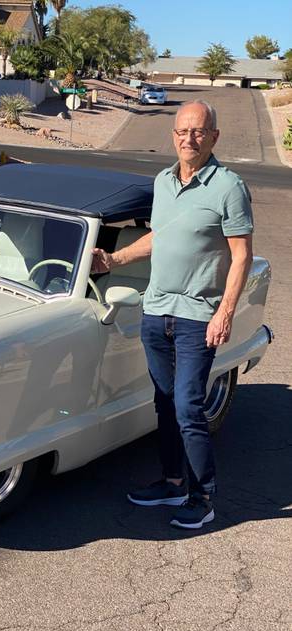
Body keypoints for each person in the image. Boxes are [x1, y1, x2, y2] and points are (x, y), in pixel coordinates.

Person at [92, 100, 254, 529]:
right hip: (156, 310)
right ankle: (172, 482)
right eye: (182, 131)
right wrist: (114, 259)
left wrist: (226, 312)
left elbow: (241, 256)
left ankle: (204, 496)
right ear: (173, 136)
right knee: (163, 403)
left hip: (198, 316)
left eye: (198, 132)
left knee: (188, 406)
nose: (189, 139)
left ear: (214, 137)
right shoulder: (163, 182)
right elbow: (158, 237)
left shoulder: (228, 187)